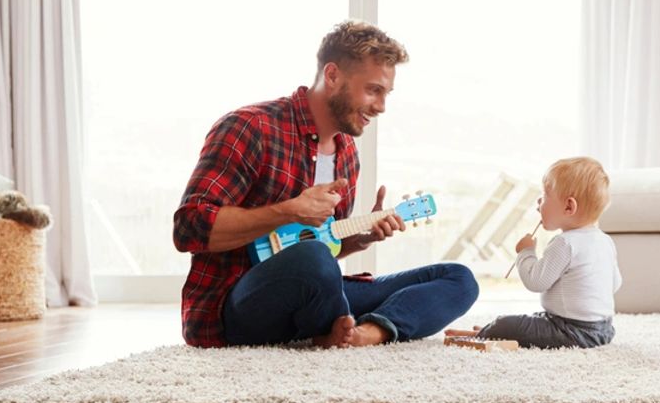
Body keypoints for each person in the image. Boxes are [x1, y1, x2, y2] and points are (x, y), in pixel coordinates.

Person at [173, 20, 478, 348]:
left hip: (311, 297)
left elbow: (324, 245)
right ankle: (336, 324)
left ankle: (366, 333)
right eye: (373, 90)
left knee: (459, 279)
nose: (381, 106)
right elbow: (189, 228)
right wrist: (289, 211)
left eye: (386, 94)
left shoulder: (347, 154)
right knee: (313, 259)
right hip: (235, 306)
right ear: (332, 76)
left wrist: (359, 239)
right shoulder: (250, 127)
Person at [471, 157, 621, 349]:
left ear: (569, 207)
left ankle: (490, 332)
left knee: (505, 322)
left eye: (545, 195)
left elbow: (536, 282)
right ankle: (493, 330)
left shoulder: (565, 243)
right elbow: (615, 284)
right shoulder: (605, 240)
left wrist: (526, 252)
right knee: (534, 320)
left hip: (571, 332)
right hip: (604, 329)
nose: (539, 201)